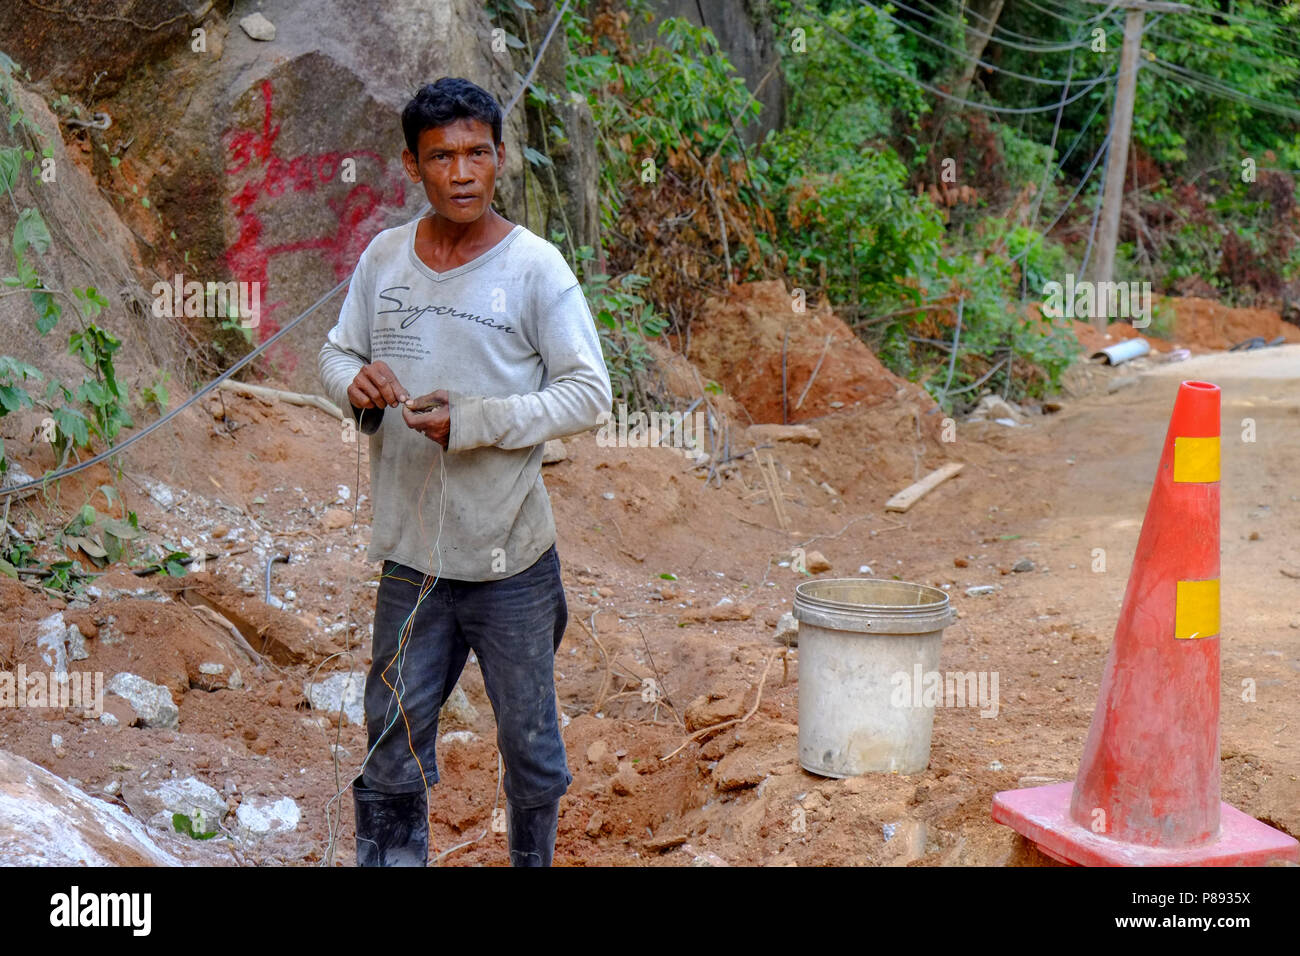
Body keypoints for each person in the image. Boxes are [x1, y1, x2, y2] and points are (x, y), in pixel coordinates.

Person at [317, 76, 613, 866]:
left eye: (477, 153)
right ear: (414, 167)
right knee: (391, 743)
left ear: (501, 158)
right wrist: (354, 382)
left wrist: (475, 421)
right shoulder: (386, 259)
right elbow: (336, 350)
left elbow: (589, 393)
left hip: (509, 557)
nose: (461, 173)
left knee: (532, 753)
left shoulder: (535, 268)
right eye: (441, 157)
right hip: (412, 559)